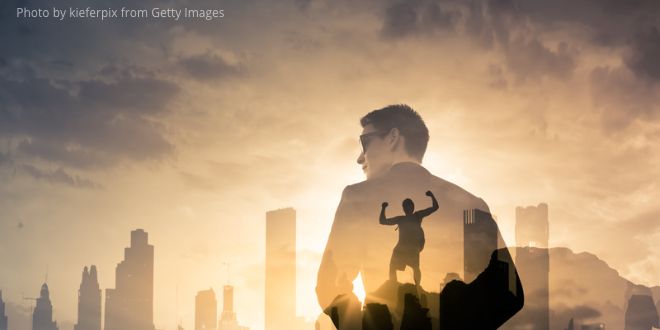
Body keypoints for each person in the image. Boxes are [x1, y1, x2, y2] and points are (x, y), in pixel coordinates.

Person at [316, 104, 523, 329]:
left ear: (393, 138)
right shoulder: (472, 204)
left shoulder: (357, 197)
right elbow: (507, 294)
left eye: (365, 143)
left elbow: (331, 285)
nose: (360, 157)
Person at [379, 190, 439, 287]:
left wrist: (431, 195)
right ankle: (393, 285)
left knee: (415, 267)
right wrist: (383, 208)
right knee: (393, 266)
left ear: (412, 207)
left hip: (412, 248)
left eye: (408, 206)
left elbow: (435, 207)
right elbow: (383, 221)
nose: (407, 208)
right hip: (401, 248)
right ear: (403, 208)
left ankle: (417, 286)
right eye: (405, 206)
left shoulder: (417, 216)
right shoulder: (400, 219)